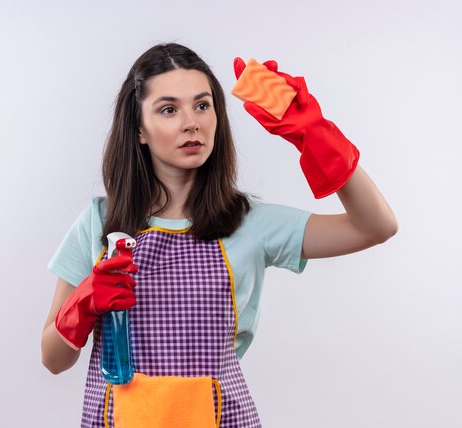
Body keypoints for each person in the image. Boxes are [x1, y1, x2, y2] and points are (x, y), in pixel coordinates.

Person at [40, 43, 397, 428]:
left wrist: (316, 137)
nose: (191, 122)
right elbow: (54, 360)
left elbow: (375, 226)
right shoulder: (99, 224)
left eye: (202, 105)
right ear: (139, 129)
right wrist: (82, 304)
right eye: (168, 109)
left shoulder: (249, 222)